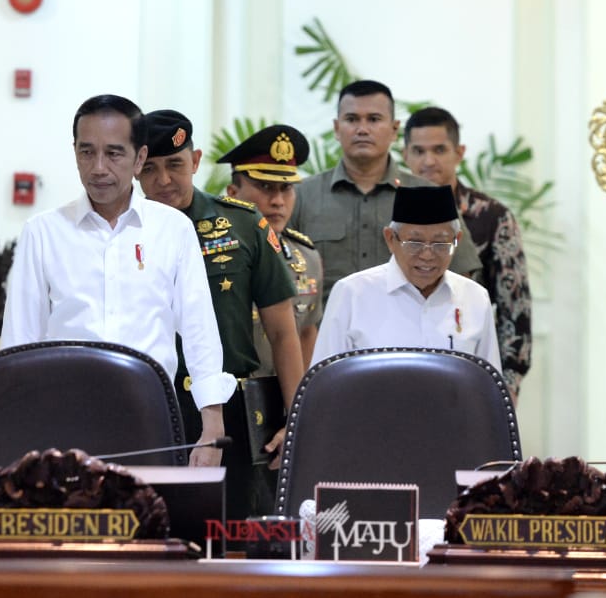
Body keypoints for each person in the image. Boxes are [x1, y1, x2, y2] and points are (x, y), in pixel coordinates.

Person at [1, 94, 236, 467]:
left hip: (149, 419)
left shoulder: (172, 229)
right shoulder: (42, 232)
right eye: (86, 152)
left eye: (113, 154)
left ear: (139, 158)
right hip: (63, 422)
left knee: (147, 522)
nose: (98, 168)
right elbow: (20, 341)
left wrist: (211, 429)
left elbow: (199, 329)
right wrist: (19, 434)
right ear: (74, 152)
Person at [138, 109, 303, 520]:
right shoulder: (121, 233)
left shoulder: (242, 225)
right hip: (150, 405)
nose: (164, 180)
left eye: (175, 165)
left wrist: (296, 420)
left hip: (231, 412)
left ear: (194, 162)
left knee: (229, 537)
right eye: (151, 169)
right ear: (136, 169)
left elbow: (283, 333)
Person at [289, 79, 481, 305]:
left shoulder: (429, 195)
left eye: (374, 119)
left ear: (394, 130)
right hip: (325, 336)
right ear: (337, 128)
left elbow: (461, 280)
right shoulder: (300, 196)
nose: (362, 129)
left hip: (409, 336)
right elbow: (280, 277)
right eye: (351, 119)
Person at [403, 106, 533, 404]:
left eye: (439, 150)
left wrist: (507, 385)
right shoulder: (392, 218)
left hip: (468, 371)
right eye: (419, 151)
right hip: (396, 372)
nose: (429, 161)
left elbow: (516, 308)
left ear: (459, 152)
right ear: (405, 154)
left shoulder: (491, 217)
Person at [311, 185, 499, 367]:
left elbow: (488, 384)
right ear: (391, 239)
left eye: (440, 244)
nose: (427, 255)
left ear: (456, 240)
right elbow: (325, 381)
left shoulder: (475, 298)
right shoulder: (352, 294)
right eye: (414, 243)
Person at [219, 124, 324, 370]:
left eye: (286, 188)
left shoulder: (306, 256)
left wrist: (301, 400)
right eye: (265, 187)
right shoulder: (213, 253)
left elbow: (307, 334)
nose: (278, 201)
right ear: (233, 192)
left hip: (281, 397)